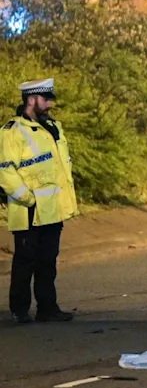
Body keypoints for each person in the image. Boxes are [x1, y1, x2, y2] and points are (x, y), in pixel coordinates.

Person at [0, 78, 78, 324]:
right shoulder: (12, 131)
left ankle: (47, 308)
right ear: (32, 100)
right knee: (25, 262)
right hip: (29, 209)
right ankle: (20, 310)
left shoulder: (52, 128)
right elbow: (5, 170)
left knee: (47, 261)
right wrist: (28, 198)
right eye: (46, 99)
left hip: (52, 208)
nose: (50, 104)